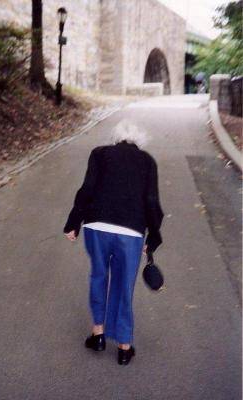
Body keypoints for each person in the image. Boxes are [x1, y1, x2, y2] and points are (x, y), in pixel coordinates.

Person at [63, 119, 164, 366]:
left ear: (115, 138)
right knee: (123, 285)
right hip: (130, 232)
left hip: (97, 226)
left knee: (98, 275)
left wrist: (74, 223)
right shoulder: (147, 161)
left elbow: (86, 190)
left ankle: (98, 335)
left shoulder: (100, 154)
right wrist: (153, 236)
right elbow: (151, 201)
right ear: (139, 141)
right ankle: (123, 347)